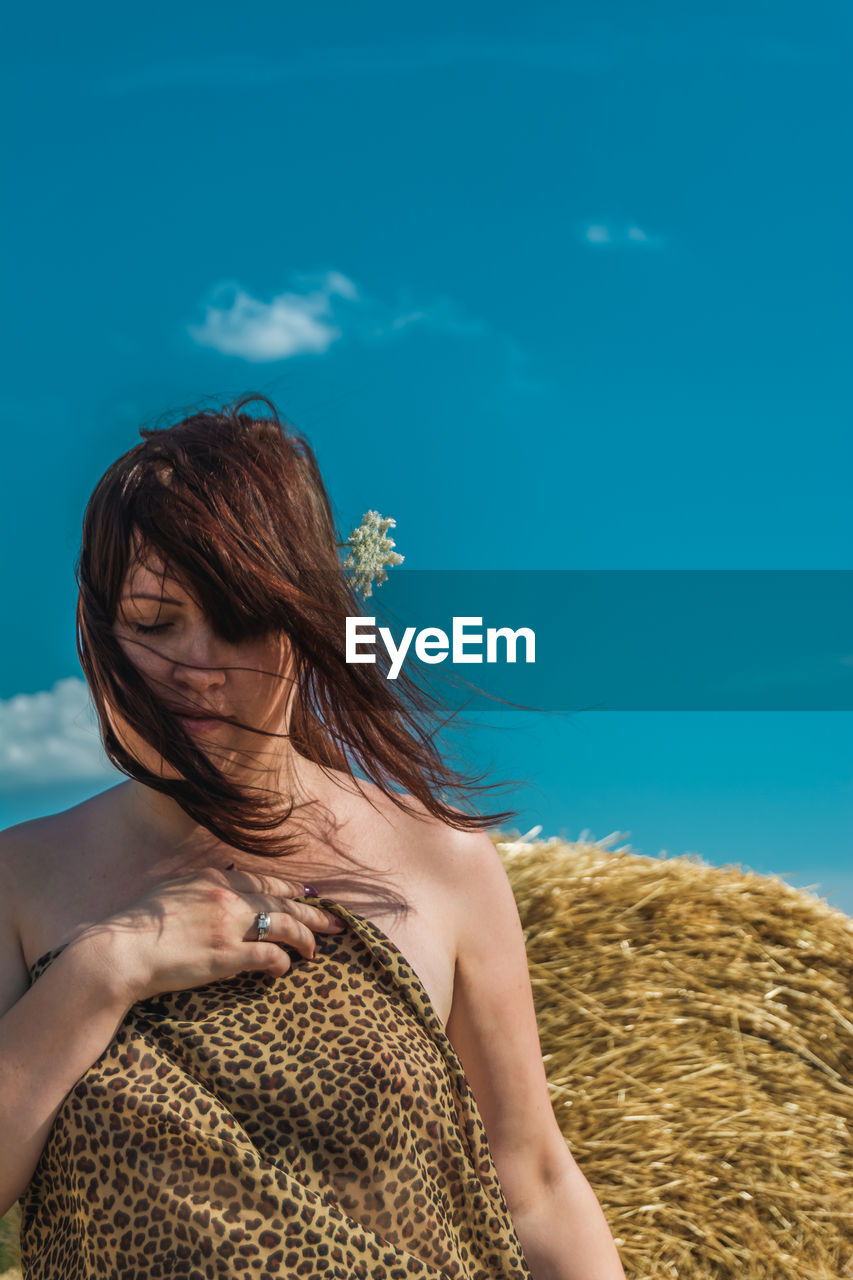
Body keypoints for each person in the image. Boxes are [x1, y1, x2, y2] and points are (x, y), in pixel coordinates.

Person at [0, 396, 626, 1279]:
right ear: (101, 630)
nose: (198, 666)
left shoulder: (440, 861)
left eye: (243, 618)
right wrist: (107, 969)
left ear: (308, 620)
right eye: (154, 621)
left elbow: (532, 1187)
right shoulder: (21, 876)